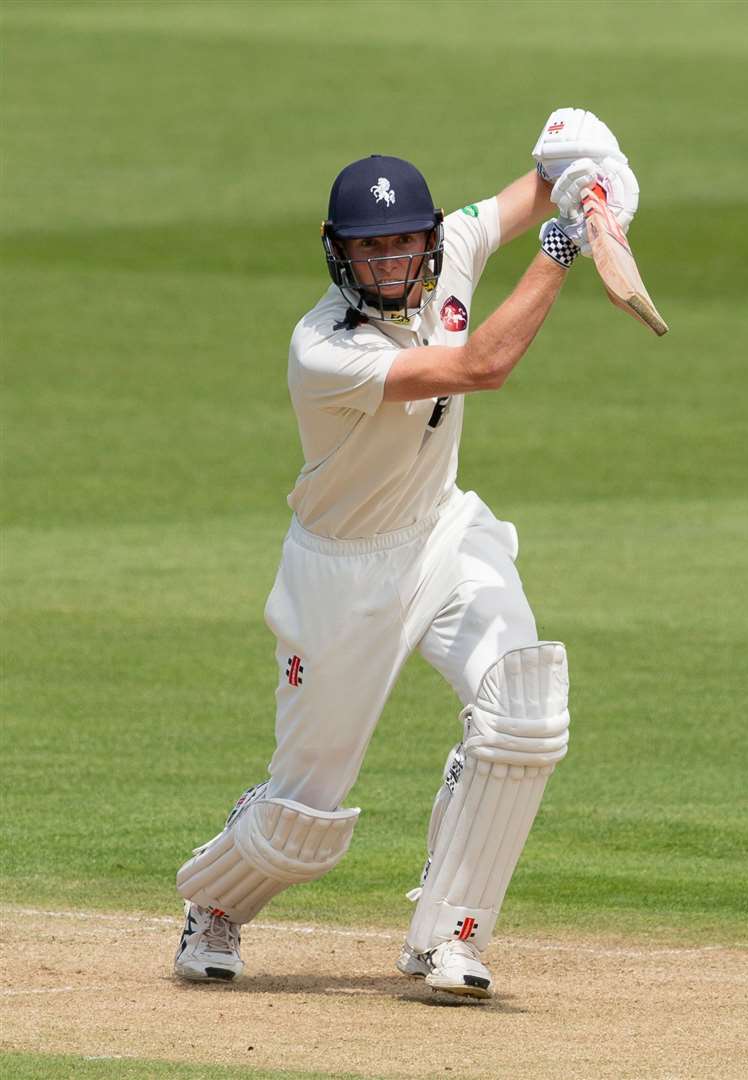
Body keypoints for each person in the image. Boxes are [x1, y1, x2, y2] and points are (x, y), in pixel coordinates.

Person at [172, 109, 639, 1000]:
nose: (391, 263)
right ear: (337, 254)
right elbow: (479, 369)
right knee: (304, 816)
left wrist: (586, 168)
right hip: (341, 573)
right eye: (370, 249)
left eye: (404, 245)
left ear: (428, 240)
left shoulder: (452, 247)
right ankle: (214, 904)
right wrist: (566, 243)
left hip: (443, 533)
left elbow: (534, 190)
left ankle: (451, 934)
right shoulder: (325, 350)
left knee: (526, 713)